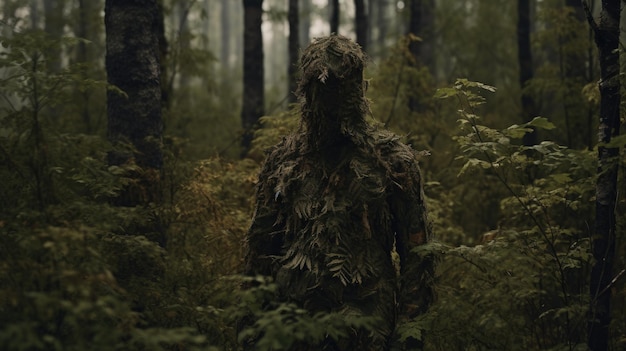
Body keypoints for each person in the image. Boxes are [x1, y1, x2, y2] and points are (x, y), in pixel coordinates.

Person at [244, 34, 434, 350]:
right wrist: (254, 331)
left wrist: (408, 337)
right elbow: (260, 252)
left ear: (356, 89)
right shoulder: (284, 161)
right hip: (293, 332)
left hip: (366, 332)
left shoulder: (390, 161)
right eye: (320, 86)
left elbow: (418, 258)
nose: (329, 98)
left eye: (339, 87)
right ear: (306, 91)